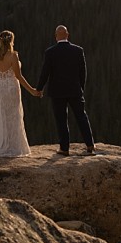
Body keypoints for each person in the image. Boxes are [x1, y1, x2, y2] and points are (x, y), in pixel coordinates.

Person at [36, 25, 96, 156]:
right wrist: (80, 88)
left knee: (61, 119)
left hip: (57, 92)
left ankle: (64, 148)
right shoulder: (78, 50)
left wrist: (39, 89)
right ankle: (90, 144)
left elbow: (45, 73)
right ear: (67, 35)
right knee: (81, 117)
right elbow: (83, 72)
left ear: (56, 36)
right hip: (75, 89)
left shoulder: (50, 52)